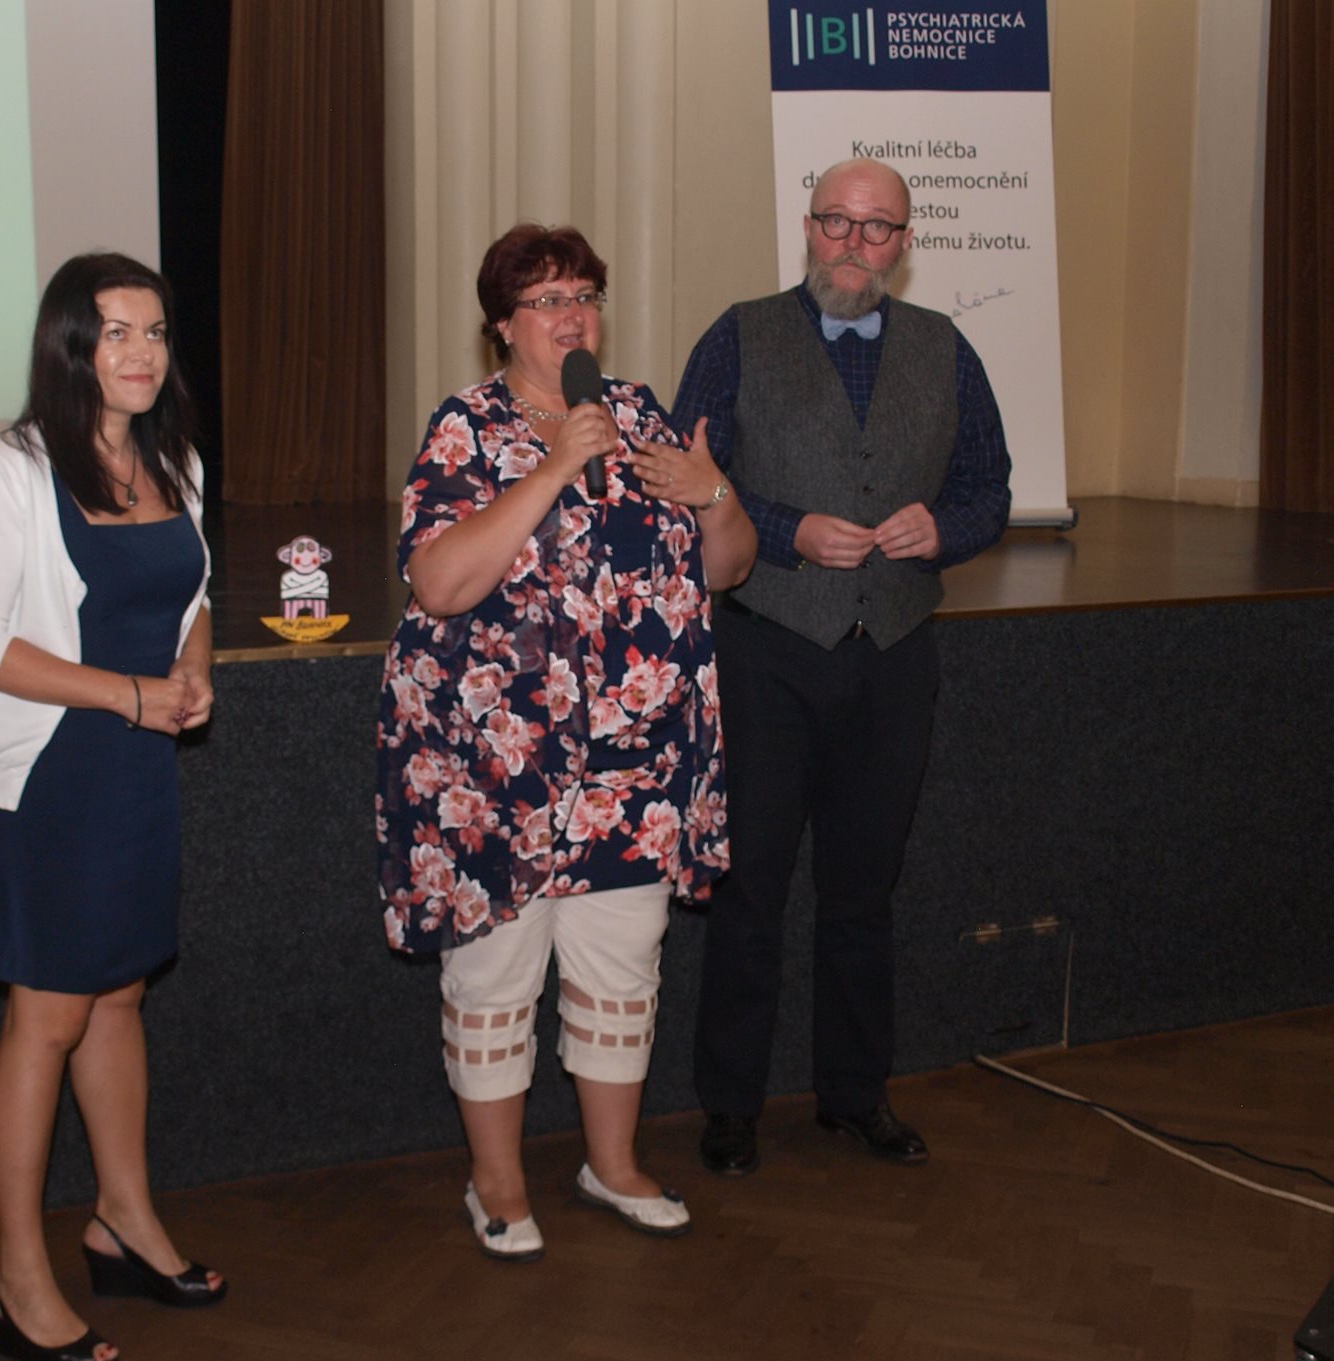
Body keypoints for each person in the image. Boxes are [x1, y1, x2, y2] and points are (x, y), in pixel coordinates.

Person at [376, 223, 756, 1260]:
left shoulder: (641, 417)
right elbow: (439, 582)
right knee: (496, 975)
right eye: (547, 300)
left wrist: (713, 494)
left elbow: (727, 567)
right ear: (502, 324)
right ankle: (497, 1181)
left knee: (621, 968)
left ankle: (612, 1164)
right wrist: (550, 470)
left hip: (635, 762)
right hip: (499, 764)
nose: (572, 316)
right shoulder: (467, 427)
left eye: (583, 295)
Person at [667, 158, 1012, 1177]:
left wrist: (943, 530)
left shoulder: (947, 350)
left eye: (876, 228)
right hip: (765, 652)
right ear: (808, 226)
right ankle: (730, 1105)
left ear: (904, 244)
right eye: (836, 222)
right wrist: (785, 530)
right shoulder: (737, 336)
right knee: (749, 891)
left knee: (864, 894)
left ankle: (855, 1096)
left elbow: (988, 489)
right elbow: (686, 479)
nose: (853, 245)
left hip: (894, 659)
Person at [0, 252, 225, 1361]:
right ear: (70, 346)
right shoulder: (10, 472)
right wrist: (129, 695)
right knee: (48, 1017)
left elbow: (191, 597)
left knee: (119, 997)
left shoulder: (174, 457)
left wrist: (193, 673)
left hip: (138, 768)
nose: (141, 352)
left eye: (154, 331)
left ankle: (122, 1220)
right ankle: (14, 1274)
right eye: (115, 332)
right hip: (56, 773)